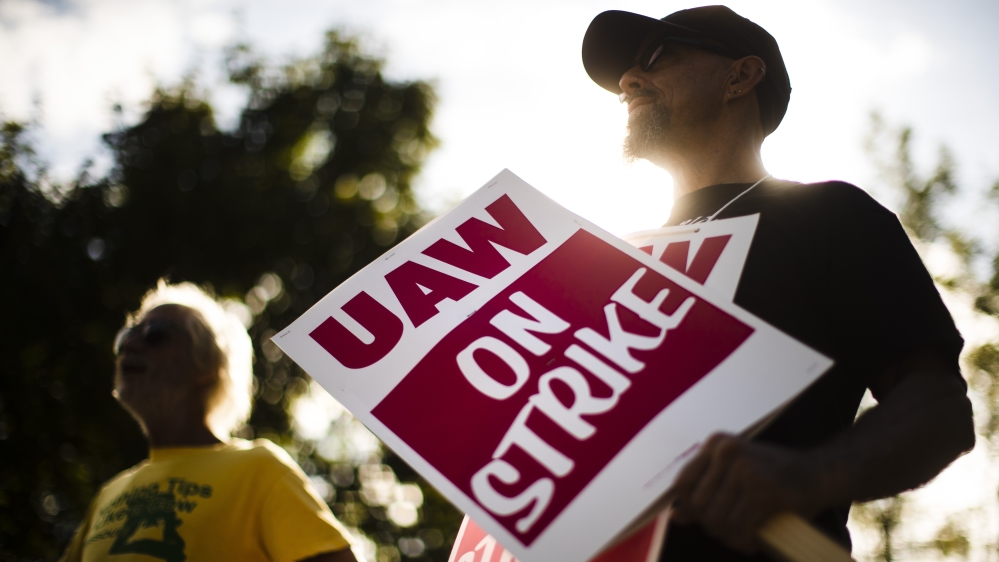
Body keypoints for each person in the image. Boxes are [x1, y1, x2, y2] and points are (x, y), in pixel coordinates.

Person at [581, 6, 975, 560]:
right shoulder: (607, 260)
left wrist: (811, 475)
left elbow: (940, 409)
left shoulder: (829, 217)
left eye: (656, 57)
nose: (627, 81)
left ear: (740, 77)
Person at [61, 280, 358, 562]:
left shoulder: (260, 470)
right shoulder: (107, 495)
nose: (130, 346)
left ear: (208, 363)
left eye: (156, 333)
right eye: (127, 335)